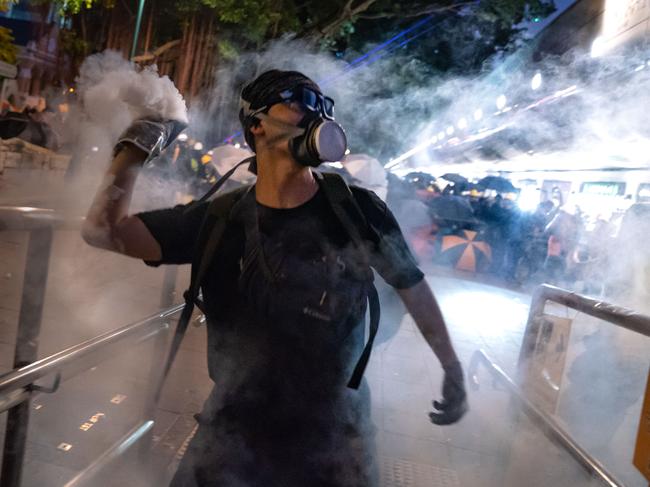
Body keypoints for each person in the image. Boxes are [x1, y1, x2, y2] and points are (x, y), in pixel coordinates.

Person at [81, 69, 467, 486]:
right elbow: (103, 229)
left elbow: (411, 285)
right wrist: (141, 140)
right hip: (233, 434)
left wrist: (451, 365)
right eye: (301, 100)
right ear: (258, 123)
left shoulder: (357, 211)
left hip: (335, 439)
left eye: (323, 105)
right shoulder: (219, 219)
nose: (316, 113)